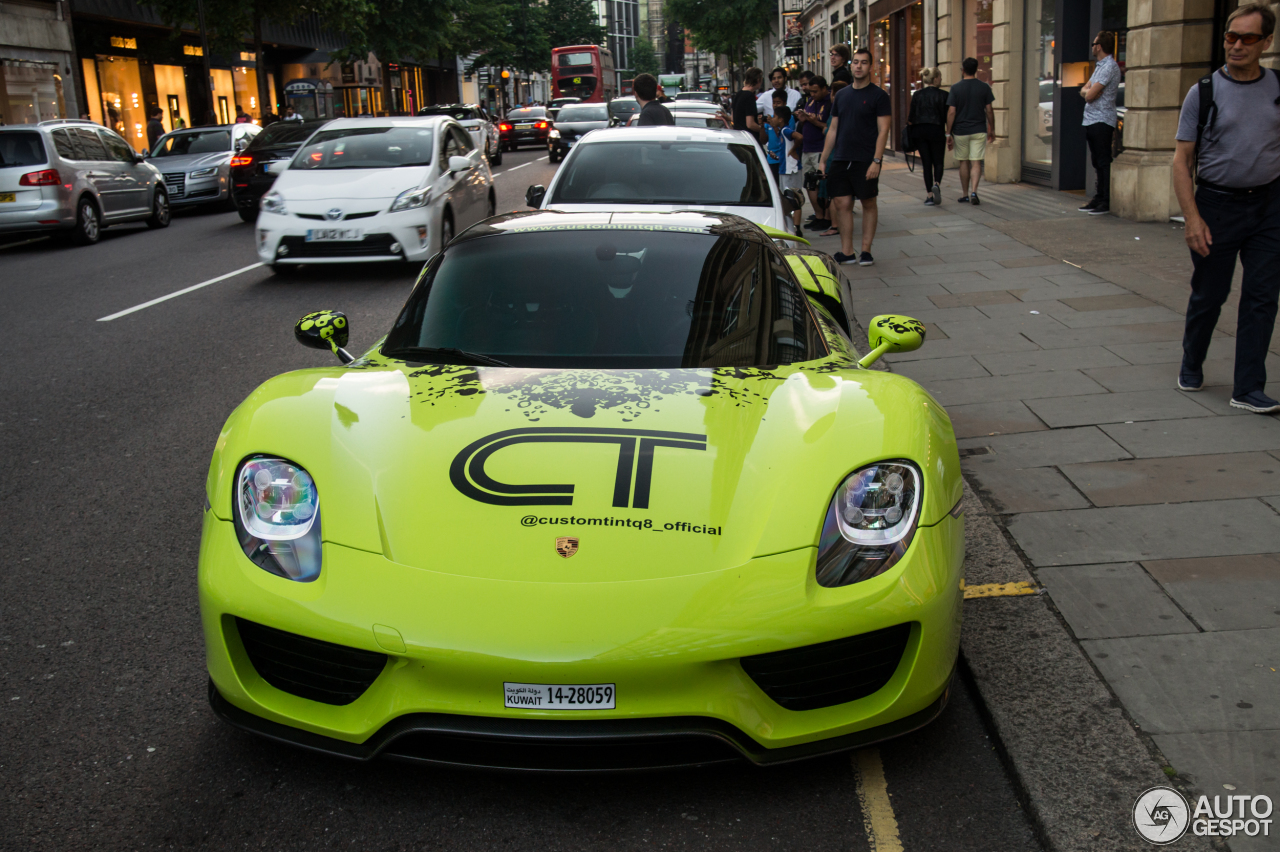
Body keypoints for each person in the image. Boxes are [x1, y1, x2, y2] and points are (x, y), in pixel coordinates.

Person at [1171, 3, 1280, 413]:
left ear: (1266, 43)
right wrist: (1192, 219)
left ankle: (1248, 387)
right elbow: (1182, 161)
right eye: (1230, 37)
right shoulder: (1204, 92)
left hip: (1269, 205)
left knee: (1262, 296)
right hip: (1216, 204)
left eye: (1247, 39)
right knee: (1210, 294)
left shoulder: (1277, 89)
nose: (1235, 45)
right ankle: (1192, 360)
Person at [819, 47, 891, 266]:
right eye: (856, 62)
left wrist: (876, 161)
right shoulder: (841, 95)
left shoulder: (879, 96)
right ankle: (847, 251)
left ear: (871, 66)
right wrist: (823, 159)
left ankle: (866, 250)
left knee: (868, 202)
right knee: (842, 204)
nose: (859, 66)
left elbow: (883, 131)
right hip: (841, 158)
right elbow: (833, 130)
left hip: (865, 159)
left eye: (864, 62)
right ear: (851, 65)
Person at [1078, 31, 1122, 215]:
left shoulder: (1109, 67)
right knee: (1096, 161)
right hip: (1092, 120)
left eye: (1093, 44)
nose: (1092, 47)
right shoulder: (1099, 67)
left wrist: (1088, 92)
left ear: (1100, 46)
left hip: (1102, 120)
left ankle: (1105, 200)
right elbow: (1084, 89)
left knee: (1103, 160)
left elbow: (1088, 95)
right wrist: (1087, 91)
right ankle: (1099, 197)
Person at [946, 57, 995, 204]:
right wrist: (992, 128)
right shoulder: (984, 87)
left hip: (961, 131)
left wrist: (948, 132)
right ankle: (974, 191)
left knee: (963, 162)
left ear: (963, 70)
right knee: (976, 162)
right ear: (976, 70)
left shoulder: (955, 88)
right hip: (979, 129)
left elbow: (951, 112)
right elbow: (989, 110)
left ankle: (965, 193)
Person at [908, 67, 948, 206]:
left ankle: (929, 196)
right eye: (940, 76)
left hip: (920, 131)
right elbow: (947, 116)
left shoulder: (917, 95)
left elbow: (911, 117)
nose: (941, 79)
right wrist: (949, 133)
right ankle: (936, 184)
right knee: (938, 161)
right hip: (936, 130)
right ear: (935, 78)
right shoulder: (944, 95)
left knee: (926, 164)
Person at [796, 76, 832, 231]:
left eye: (816, 91)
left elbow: (830, 126)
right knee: (810, 183)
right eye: (810, 92)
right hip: (807, 147)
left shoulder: (830, 102)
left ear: (825, 88)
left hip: (820, 147)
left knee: (822, 183)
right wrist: (803, 118)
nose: (813, 95)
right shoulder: (810, 100)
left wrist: (812, 121)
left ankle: (827, 217)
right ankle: (818, 215)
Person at [732, 67, 766, 141]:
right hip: (749, 138)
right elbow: (750, 124)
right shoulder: (749, 96)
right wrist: (763, 130)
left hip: (738, 137)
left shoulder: (738, 94)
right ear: (758, 80)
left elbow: (733, 117)